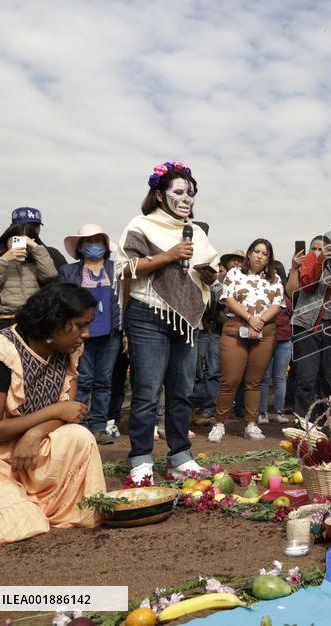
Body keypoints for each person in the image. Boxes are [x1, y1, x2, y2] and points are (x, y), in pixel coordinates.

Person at [0, 282, 106, 549]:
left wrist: (36, 432)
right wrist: (52, 411)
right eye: (80, 325)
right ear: (54, 322)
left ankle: (22, 499)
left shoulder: (67, 351)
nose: (86, 334)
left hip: (23, 453)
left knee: (78, 436)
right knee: (24, 519)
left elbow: (71, 411)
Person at [115, 161, 220, 484]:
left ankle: (180, 456)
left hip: (186, 320)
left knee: (182, 392)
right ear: (160, 195)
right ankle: (141, 458)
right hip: (148, 313)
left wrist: (209, 274)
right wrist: (169, 255)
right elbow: (124, 268)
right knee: (147, 392)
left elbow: (210, 269)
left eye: (191, 192)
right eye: (179, 191)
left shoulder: (197, 232)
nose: (187, 198)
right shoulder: (141, 225)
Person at [208, 239, 283, 442]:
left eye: (264, 253)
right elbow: (228, 299)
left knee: (254, 381)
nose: (259, 255)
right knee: (230, 380)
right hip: (235, 328)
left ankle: (251, 424)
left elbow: (277, 304)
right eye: (256, 251)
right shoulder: (234, 273)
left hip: (264, 331)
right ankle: (219, 423)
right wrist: (250, 319)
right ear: (249, 254)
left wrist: (259, 322)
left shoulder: (275, 278)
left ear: (269, 258)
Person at [57, 224, 122, 445]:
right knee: (82, 380)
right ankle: (79, 426)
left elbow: (126, 301)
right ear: (81, 247)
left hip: (110, 334)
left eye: (98, 241)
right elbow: (62, 302)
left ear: (105, 246)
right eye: (89, 241)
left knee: (104, 381)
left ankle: (99, 426)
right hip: (80, 334)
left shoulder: (116, 269)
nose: (94, 245)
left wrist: (126, 334)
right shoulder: (69, 272)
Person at [287, 231, 331, 418]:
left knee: (330, 379)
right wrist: (320, 261)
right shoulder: (310, 261)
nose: (319, 252)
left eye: (323, 249)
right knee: (306, 379)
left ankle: (327, 422)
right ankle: (303, 421)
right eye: (315, 249)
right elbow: (308, 285)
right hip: (306, 327)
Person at [0, 222, 59, 335]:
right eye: (15, 240)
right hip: (0, 321)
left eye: (25, 242)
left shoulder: (35, 263)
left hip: (30, 320)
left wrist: (37, 248)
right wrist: (3, 260)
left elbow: (50, 275)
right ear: (5, 240)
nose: (19, 245)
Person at [259, 260, 293, 424]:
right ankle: (263, 413)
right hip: (266, 338)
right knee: (265, 377)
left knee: (280, 377)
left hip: (284, 341)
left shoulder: (288, 293)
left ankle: (279, 411)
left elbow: (293, 315)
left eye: (277, 272)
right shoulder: (261, 291)